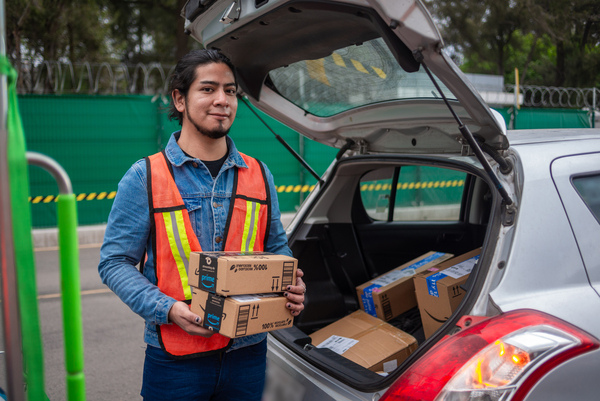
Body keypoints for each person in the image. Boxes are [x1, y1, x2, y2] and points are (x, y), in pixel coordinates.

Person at [98, 49, 305, 401]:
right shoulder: (145, 176)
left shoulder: (259, 173)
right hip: (176, 362)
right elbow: (114, 263)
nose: (222, 100)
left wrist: (291, 284)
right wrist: (168, 309)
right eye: (208, 89)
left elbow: (276, 248)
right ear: (179, 99)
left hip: (248, 354)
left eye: (230, 90)